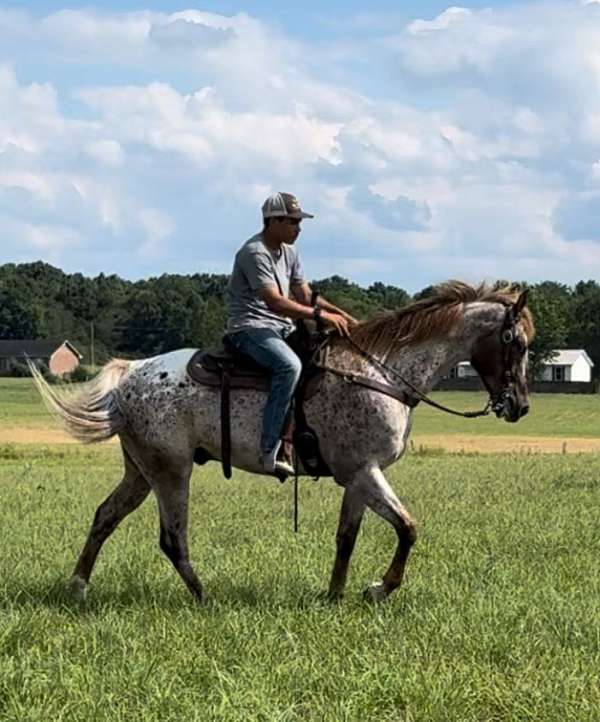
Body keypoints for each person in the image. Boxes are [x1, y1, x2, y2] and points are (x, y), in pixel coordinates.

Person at [225, 192, 357, 475]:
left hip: (282, 328)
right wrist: (321, 316)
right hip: (251, 328)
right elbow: (276, 302)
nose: (299, 228)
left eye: (299, 222)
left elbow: (304, 295)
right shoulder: (253, 252)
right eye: (293, 222)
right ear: (273, 221)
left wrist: (343, 316)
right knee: (288, 366)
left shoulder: (290, 252)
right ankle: (270, 447)